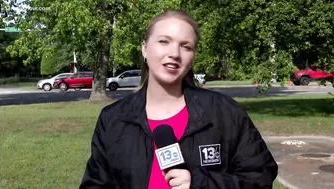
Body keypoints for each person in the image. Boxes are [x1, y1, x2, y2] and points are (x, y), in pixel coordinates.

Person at [79, 9, 278, 189]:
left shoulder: (224, 113)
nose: (174, 53)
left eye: (186, 46)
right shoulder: (113, 119)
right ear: (145, 49)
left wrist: (201, 184)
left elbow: (260, 178)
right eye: (164, 41)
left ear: (192, 57)